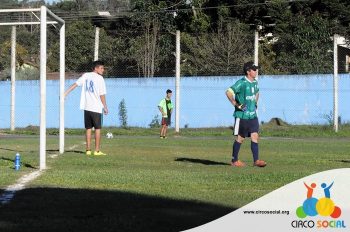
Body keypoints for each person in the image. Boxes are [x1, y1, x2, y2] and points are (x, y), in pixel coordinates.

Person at [225, 61, 266, 167]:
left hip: (252, 116)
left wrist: (255, 103)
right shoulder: (241, 83)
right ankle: (234, 160)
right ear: (248, 71)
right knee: (240, 138)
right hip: (242, 116)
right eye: (254, 69)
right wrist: (236, 104)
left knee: (255, 136)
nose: (256, 71)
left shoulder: (255, 82)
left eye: (256, 69)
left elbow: (257, 92)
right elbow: (228, 92)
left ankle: (256, 161)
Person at [64, 60, 108, 156]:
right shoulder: (100, 79)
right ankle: (96, 151)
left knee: (88, 128)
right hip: (96, 107)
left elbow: (75, 84)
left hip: (86, 107)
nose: (103, 70)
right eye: (101, 68)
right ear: (96, 68)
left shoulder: (86, 75)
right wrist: (105, 106)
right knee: (97, 128)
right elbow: (102, 94)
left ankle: (88, 150)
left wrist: (66, 93)